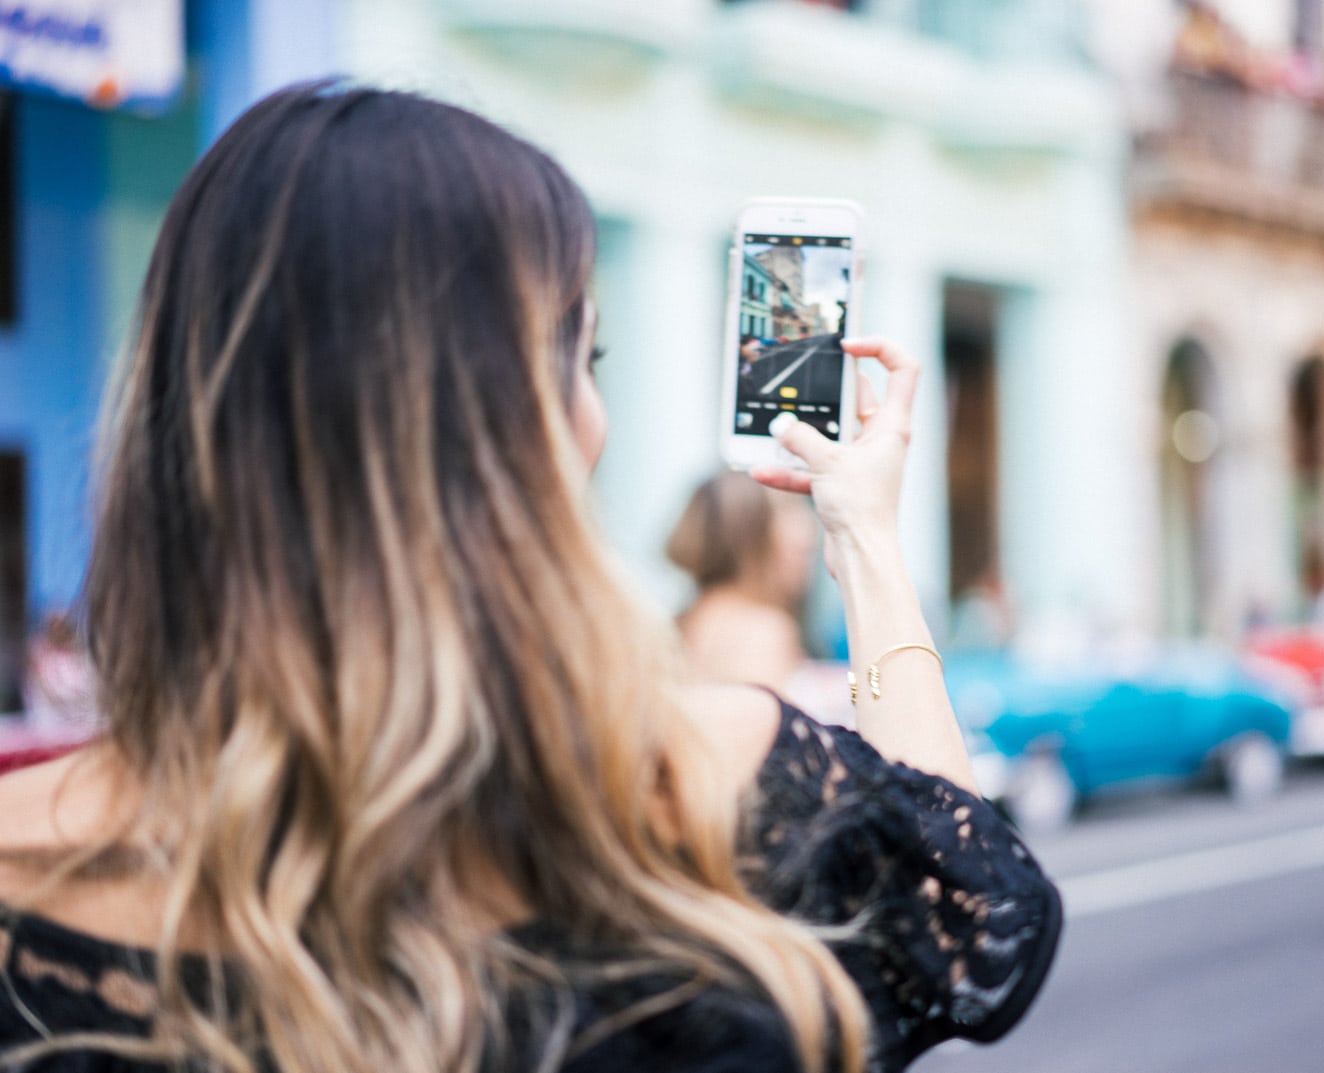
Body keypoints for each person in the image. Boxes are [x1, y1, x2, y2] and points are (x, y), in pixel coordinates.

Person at [0, 84, 1061, 1073]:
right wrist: (862, 529)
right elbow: (974, 909)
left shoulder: (21, 864)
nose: (593, 417)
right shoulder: (701, 780)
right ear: (508, 423)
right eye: (581, 363)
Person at [666, 472, 816, 693]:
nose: (807, 534)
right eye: (789, 509)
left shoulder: (685, 623)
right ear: (751, 534)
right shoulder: (762, 633)